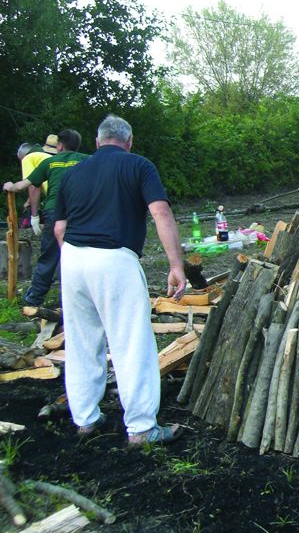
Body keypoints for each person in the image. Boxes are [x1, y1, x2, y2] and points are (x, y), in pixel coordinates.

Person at [54, 114, 186, 446]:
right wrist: (176, 266)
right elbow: (160, 213)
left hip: (71, 258)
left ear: (97, 142)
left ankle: (85, 419)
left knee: (82, 341)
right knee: (131, 342)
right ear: (128, 142)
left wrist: (76, 260)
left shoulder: (72, 173)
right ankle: (142, 428)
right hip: (114, 258)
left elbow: (59, 229)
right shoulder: (139, 166)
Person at [3, 130, 88, 306]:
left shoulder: (49, 162)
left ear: (60, 145)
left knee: (49, 255)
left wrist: (10, 186)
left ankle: (35, 298)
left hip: (54, 212)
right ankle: (78, 299)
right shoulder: (87, 160)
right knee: (81, 253)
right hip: (81, 212)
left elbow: (24, 185)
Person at [15, 139, 54, 235]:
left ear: (23, 156)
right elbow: (39, 183)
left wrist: (34, 217)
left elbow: (33, 185)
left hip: (55, 200)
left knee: (49, 241)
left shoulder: (28, 158)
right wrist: (29, 201)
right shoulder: (45, 156)